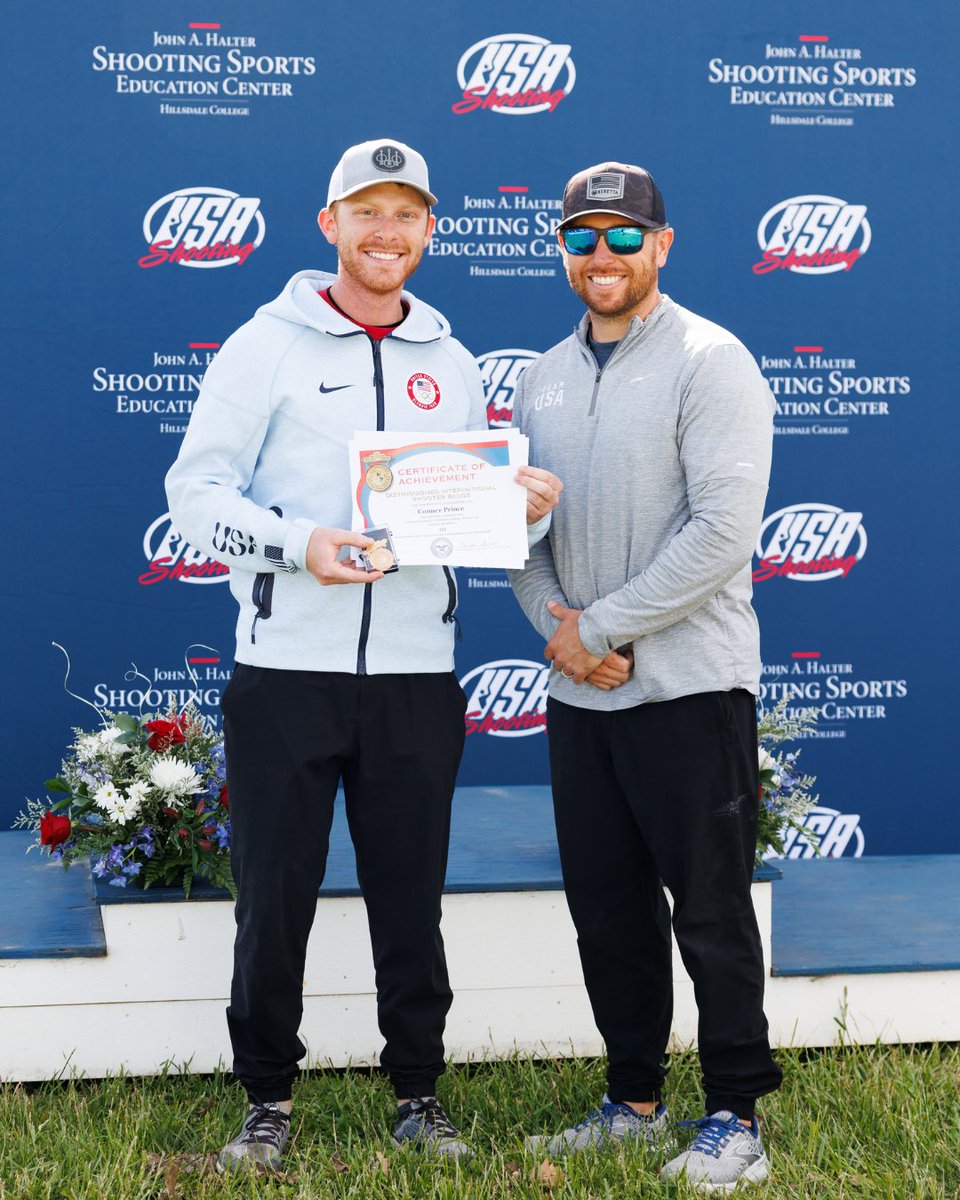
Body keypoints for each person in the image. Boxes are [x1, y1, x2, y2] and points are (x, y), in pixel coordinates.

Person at [166, 137, 561, 1174]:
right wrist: (301, 546)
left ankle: (419, 1093)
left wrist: (518, 508)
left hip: (415, 678)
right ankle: (266, 1099)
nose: (387, 232)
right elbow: (194, 497)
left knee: (410, 897)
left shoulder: (452, 359)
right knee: (274, 896)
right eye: (367, 212)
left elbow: (465, 520)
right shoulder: (264, 345)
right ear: (330, 224)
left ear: (429, 230)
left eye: (406, 214)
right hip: (287, 672)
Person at [508, 161, 782, 1192]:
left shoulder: (713, 360)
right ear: (562, 250)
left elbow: (722, 532)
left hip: (690, 690)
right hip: (582, 694)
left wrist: (603, 625)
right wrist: (563, 631)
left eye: (624, 237)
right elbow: (517, 537)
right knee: (608, 909)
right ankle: (633, 1102)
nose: (603, 255)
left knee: (709, 910)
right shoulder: (539, 375)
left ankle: (736, 1116)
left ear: (661, 246)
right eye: (582, 237)